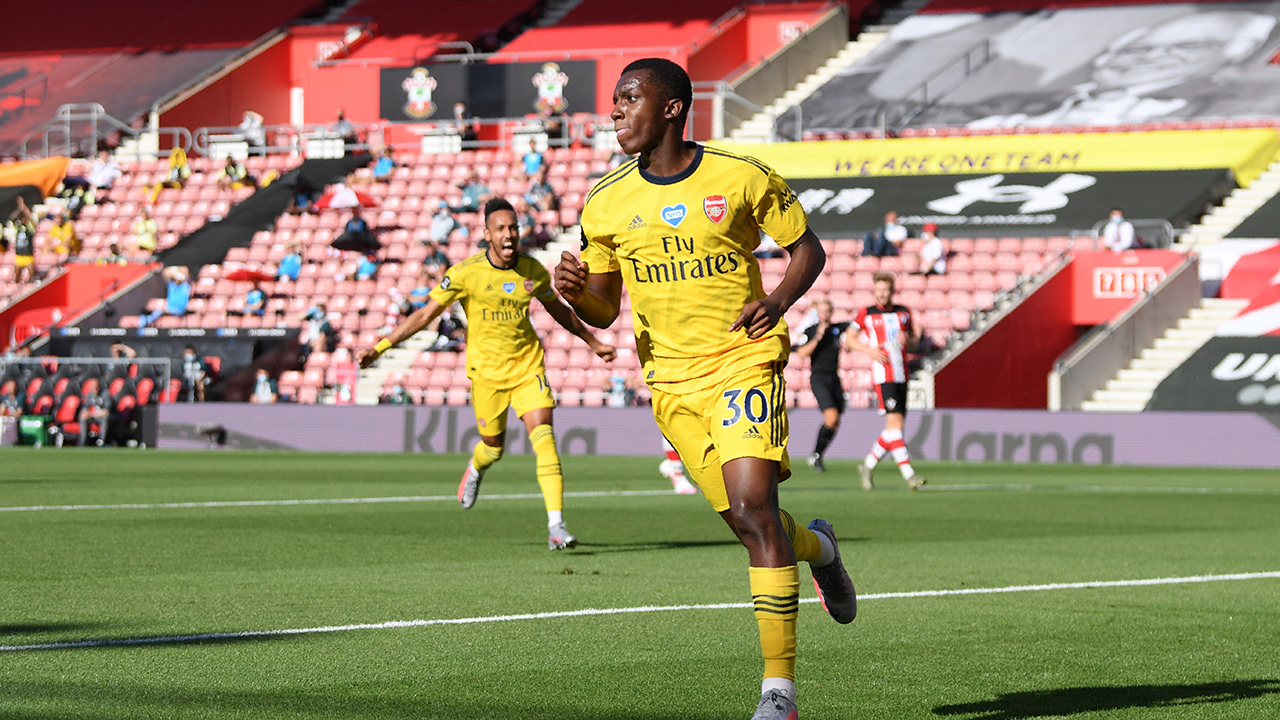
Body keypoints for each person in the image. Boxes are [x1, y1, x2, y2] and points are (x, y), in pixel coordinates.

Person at [553, 58, 856, 720]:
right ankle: (821, 547)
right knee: (752, 526)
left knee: (754, 502)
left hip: (742, 363)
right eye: (614, 100)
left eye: (628, 98)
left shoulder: (739, 177)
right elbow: (606, 308)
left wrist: (776, 302)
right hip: (670, 382)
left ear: (670, 108)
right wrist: (575, 295)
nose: (614, 111)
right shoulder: (603, 201)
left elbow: (808, 249)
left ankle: (779, 693)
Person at [358, 197, 617, 550]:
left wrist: (592, 341)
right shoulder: (466, 274)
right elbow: (423, 316)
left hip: (528, 368)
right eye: (501, 229)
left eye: (513, 227)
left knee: (545, 440)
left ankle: (556, 525)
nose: (509, 234)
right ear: (487, 234)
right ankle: (477, 468)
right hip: (487, 376)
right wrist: (381, 347)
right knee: (493, 448)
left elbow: (559, 311)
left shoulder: (533, 271)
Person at [846, 272, 926, 492]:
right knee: (896, 425)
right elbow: (849, 338)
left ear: (892, 291)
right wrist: (869, 350)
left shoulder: (903, 312)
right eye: (879, 290)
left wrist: (909, 340)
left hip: (902, 374)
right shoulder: (867, 313)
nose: (882, 293)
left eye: (886, 290)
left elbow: (912, 342)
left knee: (893, 428)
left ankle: (867, 466)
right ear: (874, 290)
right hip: (884, 376)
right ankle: (909, 475)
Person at [791, 299, 848, 473]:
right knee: (831, 417)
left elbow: (857, 327)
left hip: (834, 378)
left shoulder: (837, 329)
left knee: (835, 420)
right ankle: (816, 455)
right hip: (819, 378)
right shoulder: (811, 331)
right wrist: (817, 337)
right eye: (822, 311)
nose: (825, 314)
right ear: (817, 312)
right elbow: (801, 353)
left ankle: (817, 455)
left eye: (828, 311)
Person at [77, 377, 110, 446]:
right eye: (92, 387)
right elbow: (85, 407)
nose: (95, 389)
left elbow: (106, 411)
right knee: (83, 417)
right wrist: (84, 412)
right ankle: (83, 439)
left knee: (105, 417)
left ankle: (101, 440)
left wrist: (92, 414)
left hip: (104, 417)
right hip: (93, 416)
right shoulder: (89, 395)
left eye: (96, 386)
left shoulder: (105, 395)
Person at [10, 197, 36, 284]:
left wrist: (23, 207)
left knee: (32, 275)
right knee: (16, 277)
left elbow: (30, 218)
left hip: (28, 255)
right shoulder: (18, 228)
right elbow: (11, 218)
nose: (22, 220)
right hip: (19, 256)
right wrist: (19, 209)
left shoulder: (30, 228)